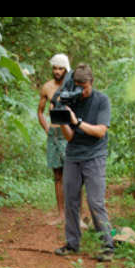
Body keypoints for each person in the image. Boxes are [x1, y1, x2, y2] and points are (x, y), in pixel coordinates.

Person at [53, 63, 115, 261]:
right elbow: (70, 137)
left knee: (95, 202)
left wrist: (77, 121)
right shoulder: (72, 99)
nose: (82, 90)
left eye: (85, 86)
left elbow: (100, 131)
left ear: (92, 82)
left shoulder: (101, 100)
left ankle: (108, 246)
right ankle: (72, 244)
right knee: (71, 200)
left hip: (95, 156)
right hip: (73, 155)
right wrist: (63, 120)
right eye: (78, 86)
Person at [37, 54, 88, 228]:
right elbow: (40, 111)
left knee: (74, 176)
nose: (57, 71)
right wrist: (47, 128)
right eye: (55, 68)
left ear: (66, 69)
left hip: (69, 136)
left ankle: (79, 216)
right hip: (54, 136)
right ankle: (61, 215)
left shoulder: (73, 86)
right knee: (58, 176)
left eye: (61, 68)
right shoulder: (47, 87)